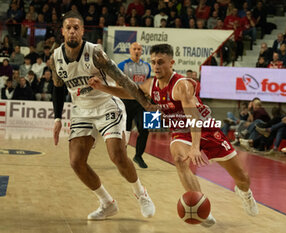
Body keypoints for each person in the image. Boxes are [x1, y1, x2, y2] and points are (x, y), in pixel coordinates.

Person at [89, 44, 259, 227]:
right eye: (153, 62)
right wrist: (103, 88)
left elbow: (192, 116)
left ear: (172, 63)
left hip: (206, 129)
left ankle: (245, 193)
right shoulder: (150, 84)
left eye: (161, 62)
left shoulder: (181, 85)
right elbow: (130, 94)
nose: (156, 66)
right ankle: (200, 205)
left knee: (242, 178)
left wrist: (195, 147)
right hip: (180, 131)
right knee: (179, 159)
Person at [51, 11, 155, 220]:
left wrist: (146, 103)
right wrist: (57, 118)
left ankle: (140, 193)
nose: (72, 31)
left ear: (82, 31)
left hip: (107, 104)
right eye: (68, 28)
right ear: (62, 31)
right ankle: (107, 203)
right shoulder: (55, 58)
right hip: (82, 110)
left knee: (117, 155)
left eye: (76, 28)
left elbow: (123, 80)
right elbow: (57, 88)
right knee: (76, 162)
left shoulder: (96, 53)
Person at [117, 42, 151, 168]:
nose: (136, 51)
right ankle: (121, 157)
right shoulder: (122, 65)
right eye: (134, 49)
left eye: (139, 49)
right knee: (125, 130)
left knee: (145, 129)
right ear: (130, 51)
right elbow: (117, 83)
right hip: (126, 101)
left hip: (141, 102)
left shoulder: (147, 66)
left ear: (142, 51)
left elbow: (147, 82)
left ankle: (138, 156)